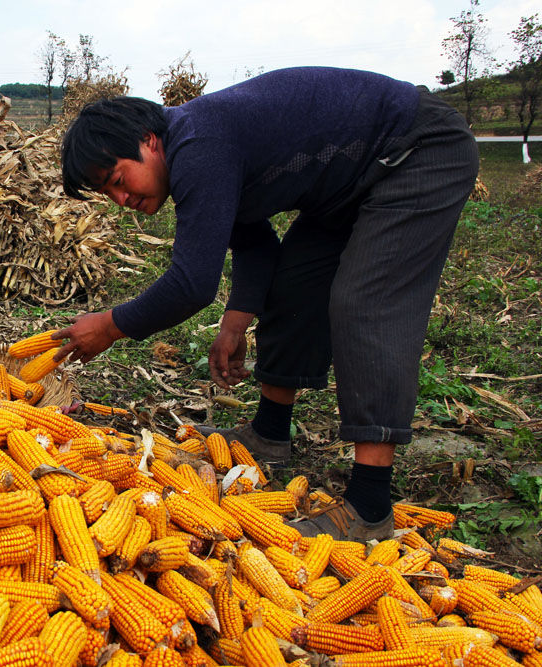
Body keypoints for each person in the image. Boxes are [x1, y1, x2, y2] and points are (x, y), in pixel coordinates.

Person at [55, 67, 479, 541]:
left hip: (416, 150)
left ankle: (369, 504)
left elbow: (191, 284)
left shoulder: (198, 145)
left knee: (366, 303)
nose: (121, 198)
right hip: (349, 184)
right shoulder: (202, 148)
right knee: (295, 280)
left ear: (148, 141)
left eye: (118, 178)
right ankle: (270, 432)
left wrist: (110, 326)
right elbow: (255, 244)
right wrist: (234, 325)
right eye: (108, 192)